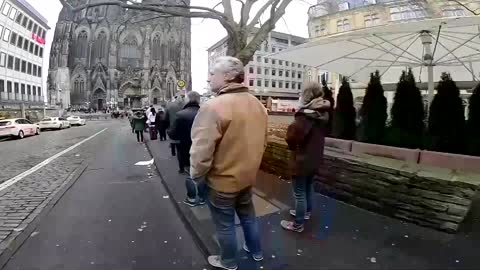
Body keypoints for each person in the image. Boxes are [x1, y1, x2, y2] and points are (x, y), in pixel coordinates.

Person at [190, 56, 268, 270]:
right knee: (248, 217)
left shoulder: (214, 106)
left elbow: (201, 150)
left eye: (212, 73)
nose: (209, 78)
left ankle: (229, 262)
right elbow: (263, 142)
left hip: (222, 181)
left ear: (227, 77)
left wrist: (197, 175)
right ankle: (256, 251)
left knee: (224, 225)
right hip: (246, 177)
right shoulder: (257, 104)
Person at [280, 82, 330, 233]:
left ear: (306, 96)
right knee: (308, 187)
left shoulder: (305, 117)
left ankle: (297, 224)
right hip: (314, 159)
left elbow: (291, 137)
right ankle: (306, 212)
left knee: (299, 193)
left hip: (302, 160)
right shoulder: (322, 115)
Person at [167, 91, 204, 205]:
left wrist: (169, 131)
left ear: (187, 100)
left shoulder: (181, 114)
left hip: (186, 148)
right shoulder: (206, 113)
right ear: (198, 100)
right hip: (204, 149)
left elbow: (173, 134)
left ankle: (192, 198)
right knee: (202, 173)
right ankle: (203, 198)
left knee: (190, 173)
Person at [165, 96, 185, 164]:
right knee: (182, 145)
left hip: (173, 126)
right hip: (183, 127)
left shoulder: (170, 105)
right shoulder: (185, 104)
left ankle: (173, 152)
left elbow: (165, 118)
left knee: (173, 140)